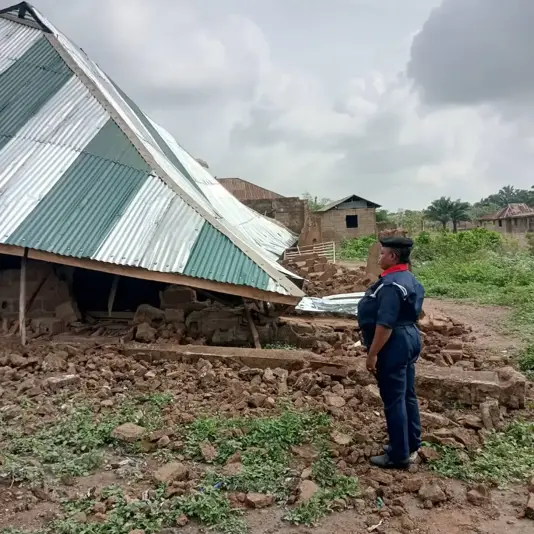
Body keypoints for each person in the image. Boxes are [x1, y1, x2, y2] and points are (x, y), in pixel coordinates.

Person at [357, 236, 425, 469]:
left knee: (394, 399)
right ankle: (411, 443)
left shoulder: (391, 286)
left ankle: (398, 455)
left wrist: (372, 354)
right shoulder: (408, 279)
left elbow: (385, 325)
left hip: (393, 342)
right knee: (407, 394)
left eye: (382, 253)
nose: (379, 257)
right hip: (410, 337)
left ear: (393, 256)